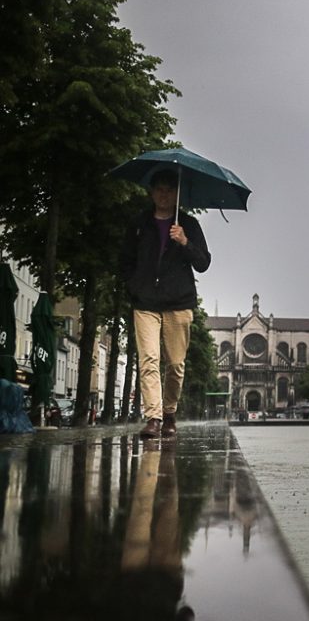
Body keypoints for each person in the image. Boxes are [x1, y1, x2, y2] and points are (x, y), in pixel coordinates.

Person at [119, 169, 211, 437]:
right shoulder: (138, 224)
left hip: (178, 303)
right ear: (151, 191)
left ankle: (169, 411)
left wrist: (184, 242)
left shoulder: (190, 225)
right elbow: (125, 261)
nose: (163, 194)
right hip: (145, 302)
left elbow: (203, 263)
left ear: (176, 194)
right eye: (158, 188)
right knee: (149, 359)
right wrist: (134, 286)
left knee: (175, 364)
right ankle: (154, 418)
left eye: (168, 190)